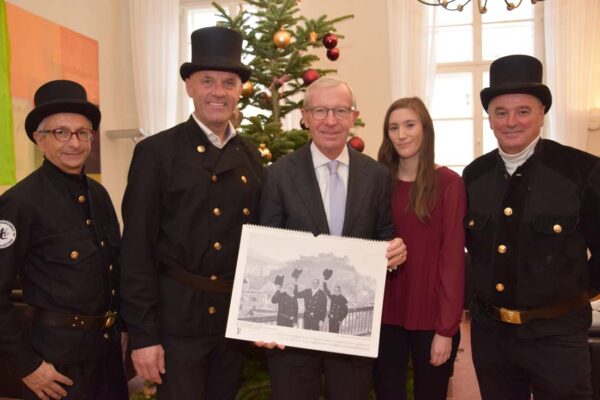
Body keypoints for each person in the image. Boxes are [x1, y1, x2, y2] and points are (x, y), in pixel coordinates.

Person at [119, 27, 263, 400]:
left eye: (228, 82)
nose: (218, 92)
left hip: (231, 326)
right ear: (189, 87)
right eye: (207, 81)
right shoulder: (156, 153)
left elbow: (263, 243)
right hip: (176, 324)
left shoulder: (252, 157)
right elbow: (135, 250)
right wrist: (143, 336)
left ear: (239, 90)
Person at [259, 76, 407, 400]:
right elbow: (267, 243)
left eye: (340, 111)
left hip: (349, 338)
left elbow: (383, 235)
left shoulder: (377, 176)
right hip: (293, 338)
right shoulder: (278, 175)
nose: (330, 121)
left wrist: (394, 251)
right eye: (320, 111)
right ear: (305, 115)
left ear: (354, 117)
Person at [463, 54, 600, 400]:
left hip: (558, 337)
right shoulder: (473, 177)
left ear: (541, 115)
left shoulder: (581, 171)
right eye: (500, 112)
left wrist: (577, 294)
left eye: (523, 111)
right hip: (491, 338)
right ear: (489, 119)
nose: (511, 121)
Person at [0, 80, 128, 400]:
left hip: (107, 358)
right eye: (61, 132)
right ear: (38, 139)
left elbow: (115, 271)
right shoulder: (20, 203)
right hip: (55, 367)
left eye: (82, 132)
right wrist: (27, 366)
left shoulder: (99, 195)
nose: (74, 142)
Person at [373, 97, 466, 400]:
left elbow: (452, 260)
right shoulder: (377, 181)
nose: (401, 135)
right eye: (393, 127)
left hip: (431, 316)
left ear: (425, 129)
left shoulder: (449, 183)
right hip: (383, 314)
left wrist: (446, 330)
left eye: (409, 125)